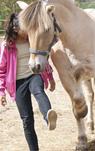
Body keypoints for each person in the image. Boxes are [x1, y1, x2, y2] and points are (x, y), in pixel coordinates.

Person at [0, 13, 57, 151]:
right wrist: (1, 92)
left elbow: (43, 59)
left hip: (34, 75)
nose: (26, 31)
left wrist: (50, 77)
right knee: (27, 120)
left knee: (38, 91)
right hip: (18, 83)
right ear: (15, 29)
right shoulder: (7, 46)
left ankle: (48, 117)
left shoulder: (32, 40)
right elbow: (1, 70)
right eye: (23, 29)